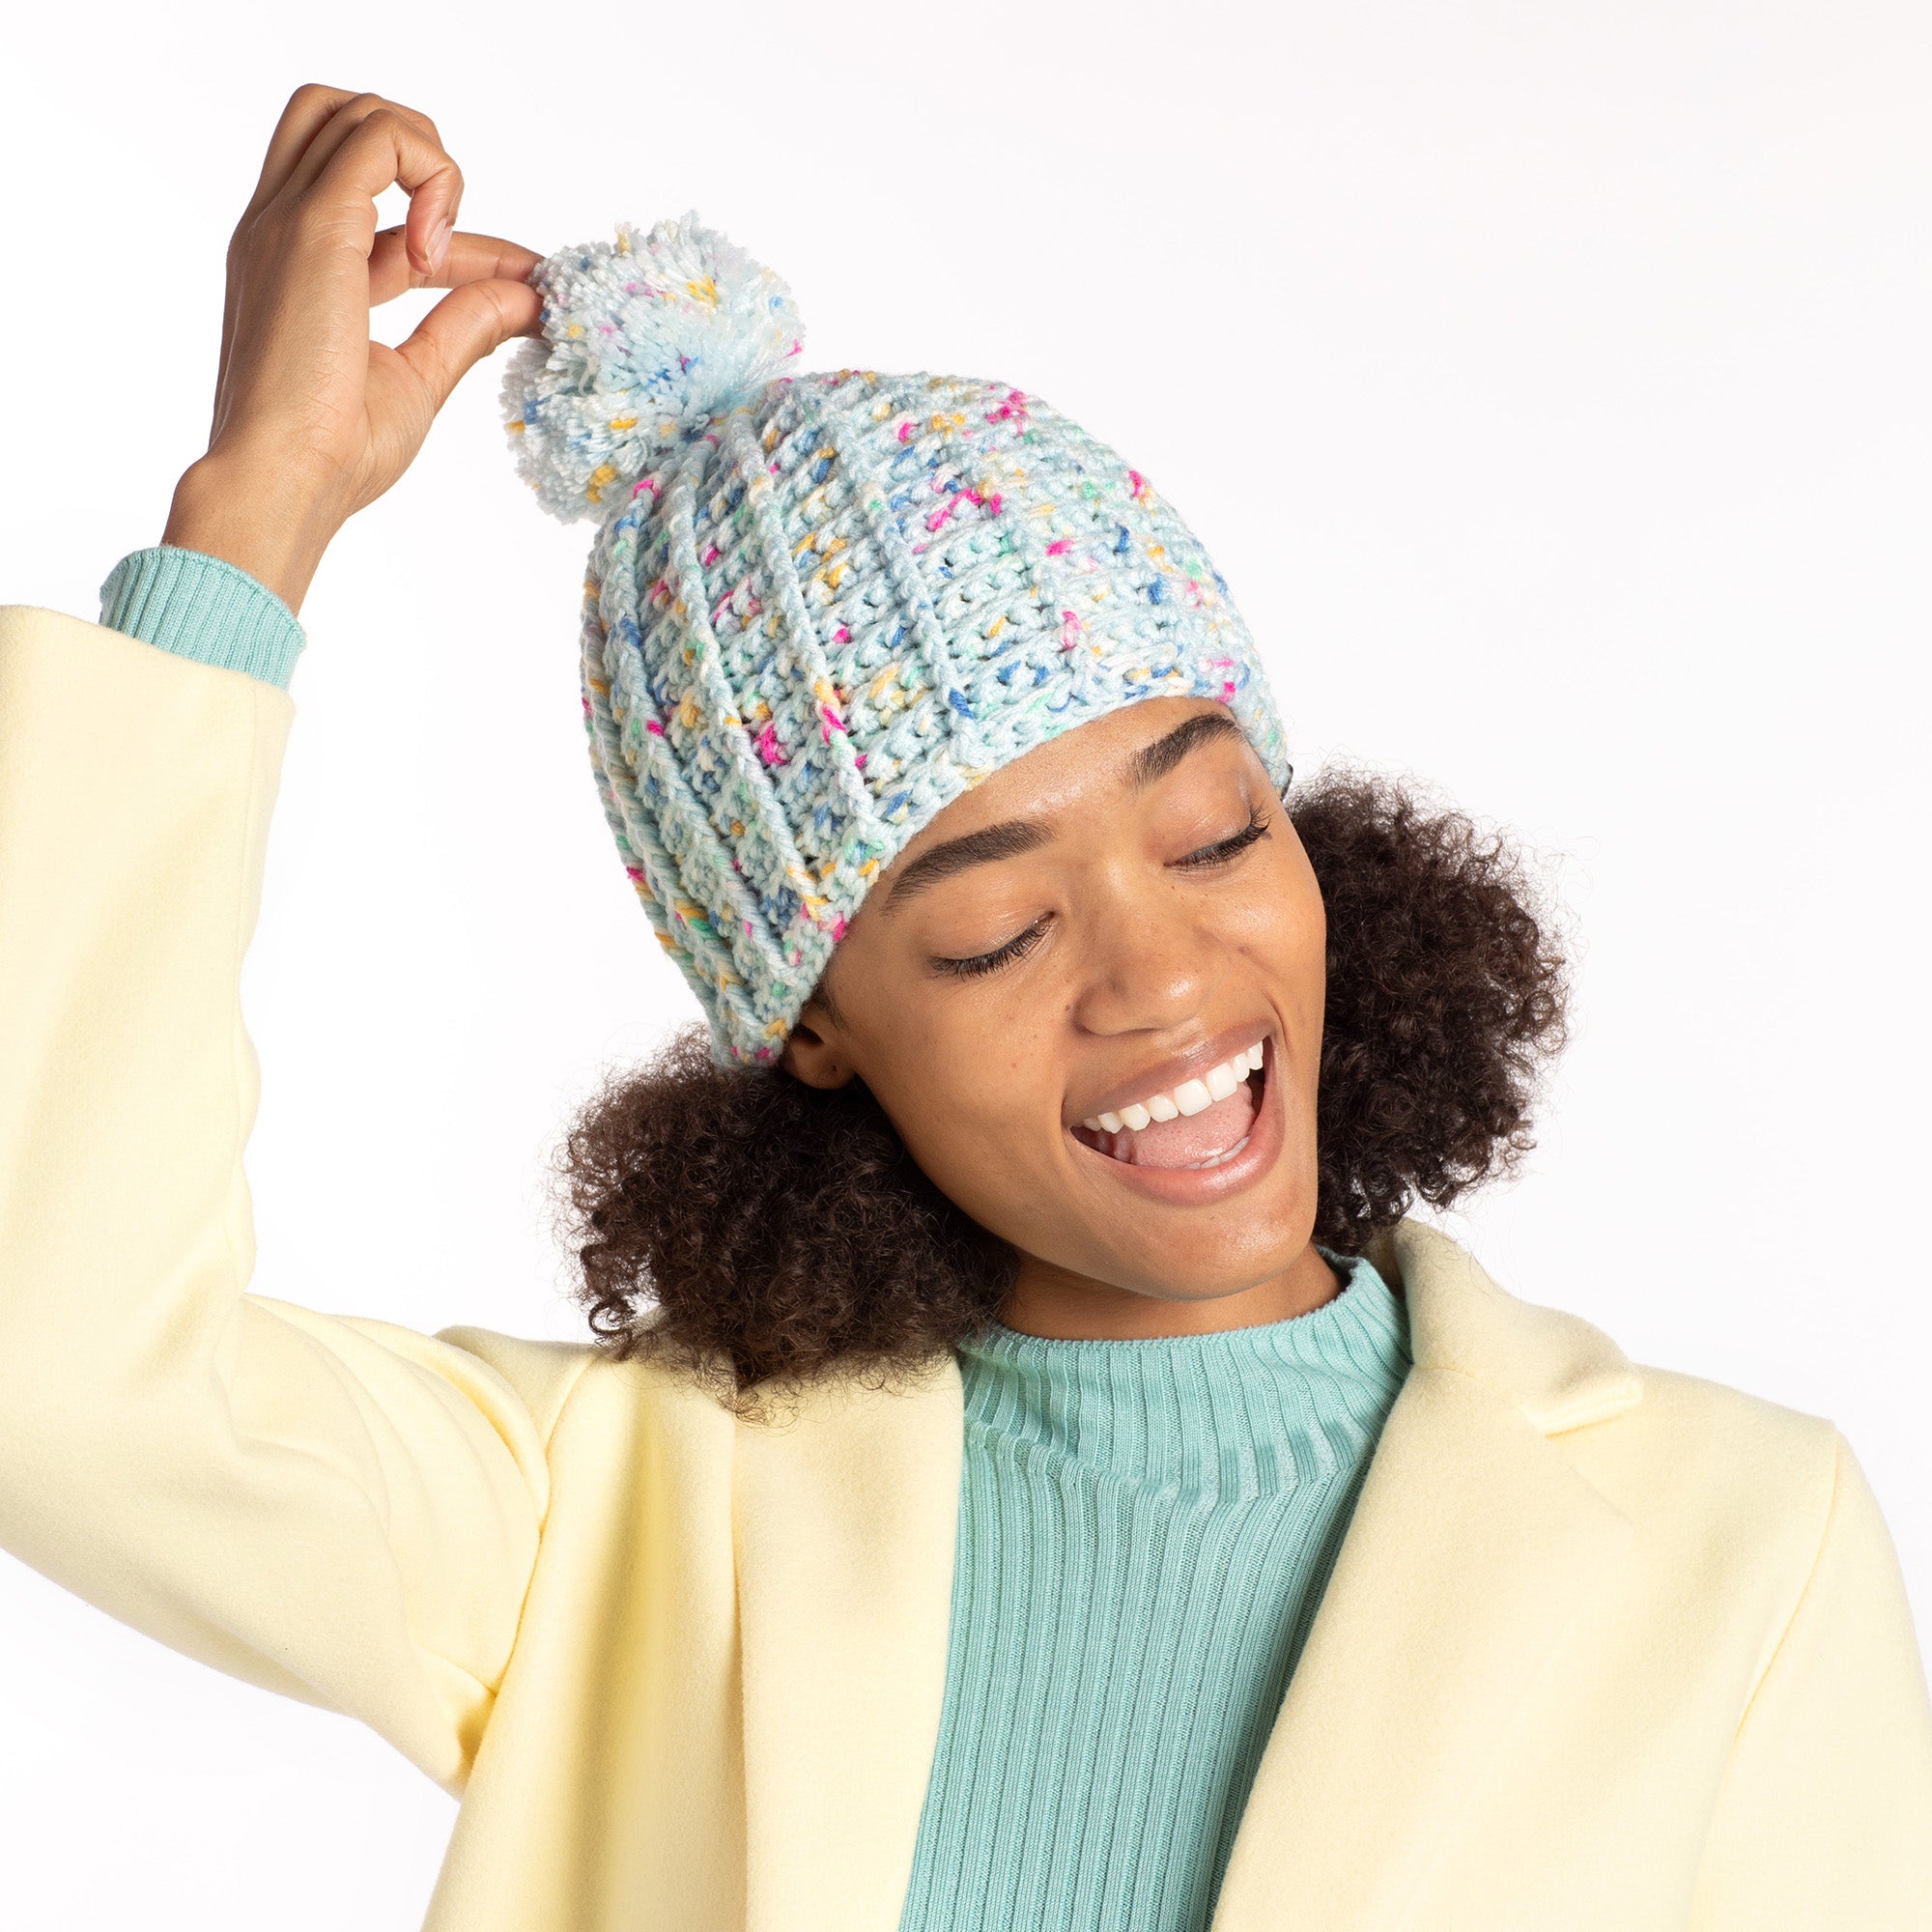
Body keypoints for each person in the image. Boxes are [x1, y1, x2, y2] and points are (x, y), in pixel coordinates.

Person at [1, 83, 1927, 1932]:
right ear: (814, 1027)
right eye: (999, 933)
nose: (1166, 978)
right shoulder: (610, 1517)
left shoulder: (1744, 1546)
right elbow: (59, 1382)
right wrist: (253, 519)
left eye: (1213, 831)